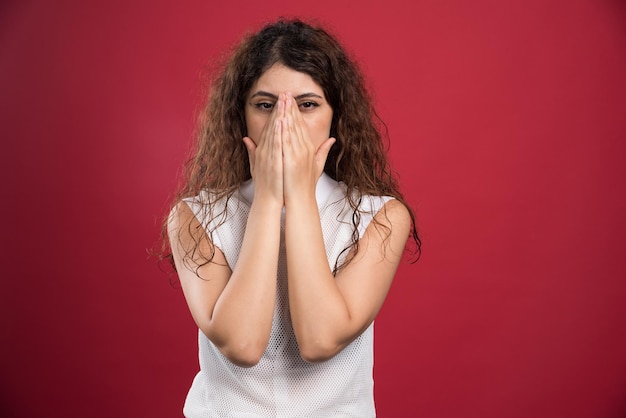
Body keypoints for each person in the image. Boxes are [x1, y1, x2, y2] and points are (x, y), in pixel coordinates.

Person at [163, 18, 421, 417]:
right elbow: (242, 346)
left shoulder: (380, 217)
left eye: (307, 105)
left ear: (336, 116)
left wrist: (298, 196)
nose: (285, 124)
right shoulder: (195, 217)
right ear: (241, 116)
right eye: (265, 105)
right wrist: (268, 197)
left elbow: (320, 340)